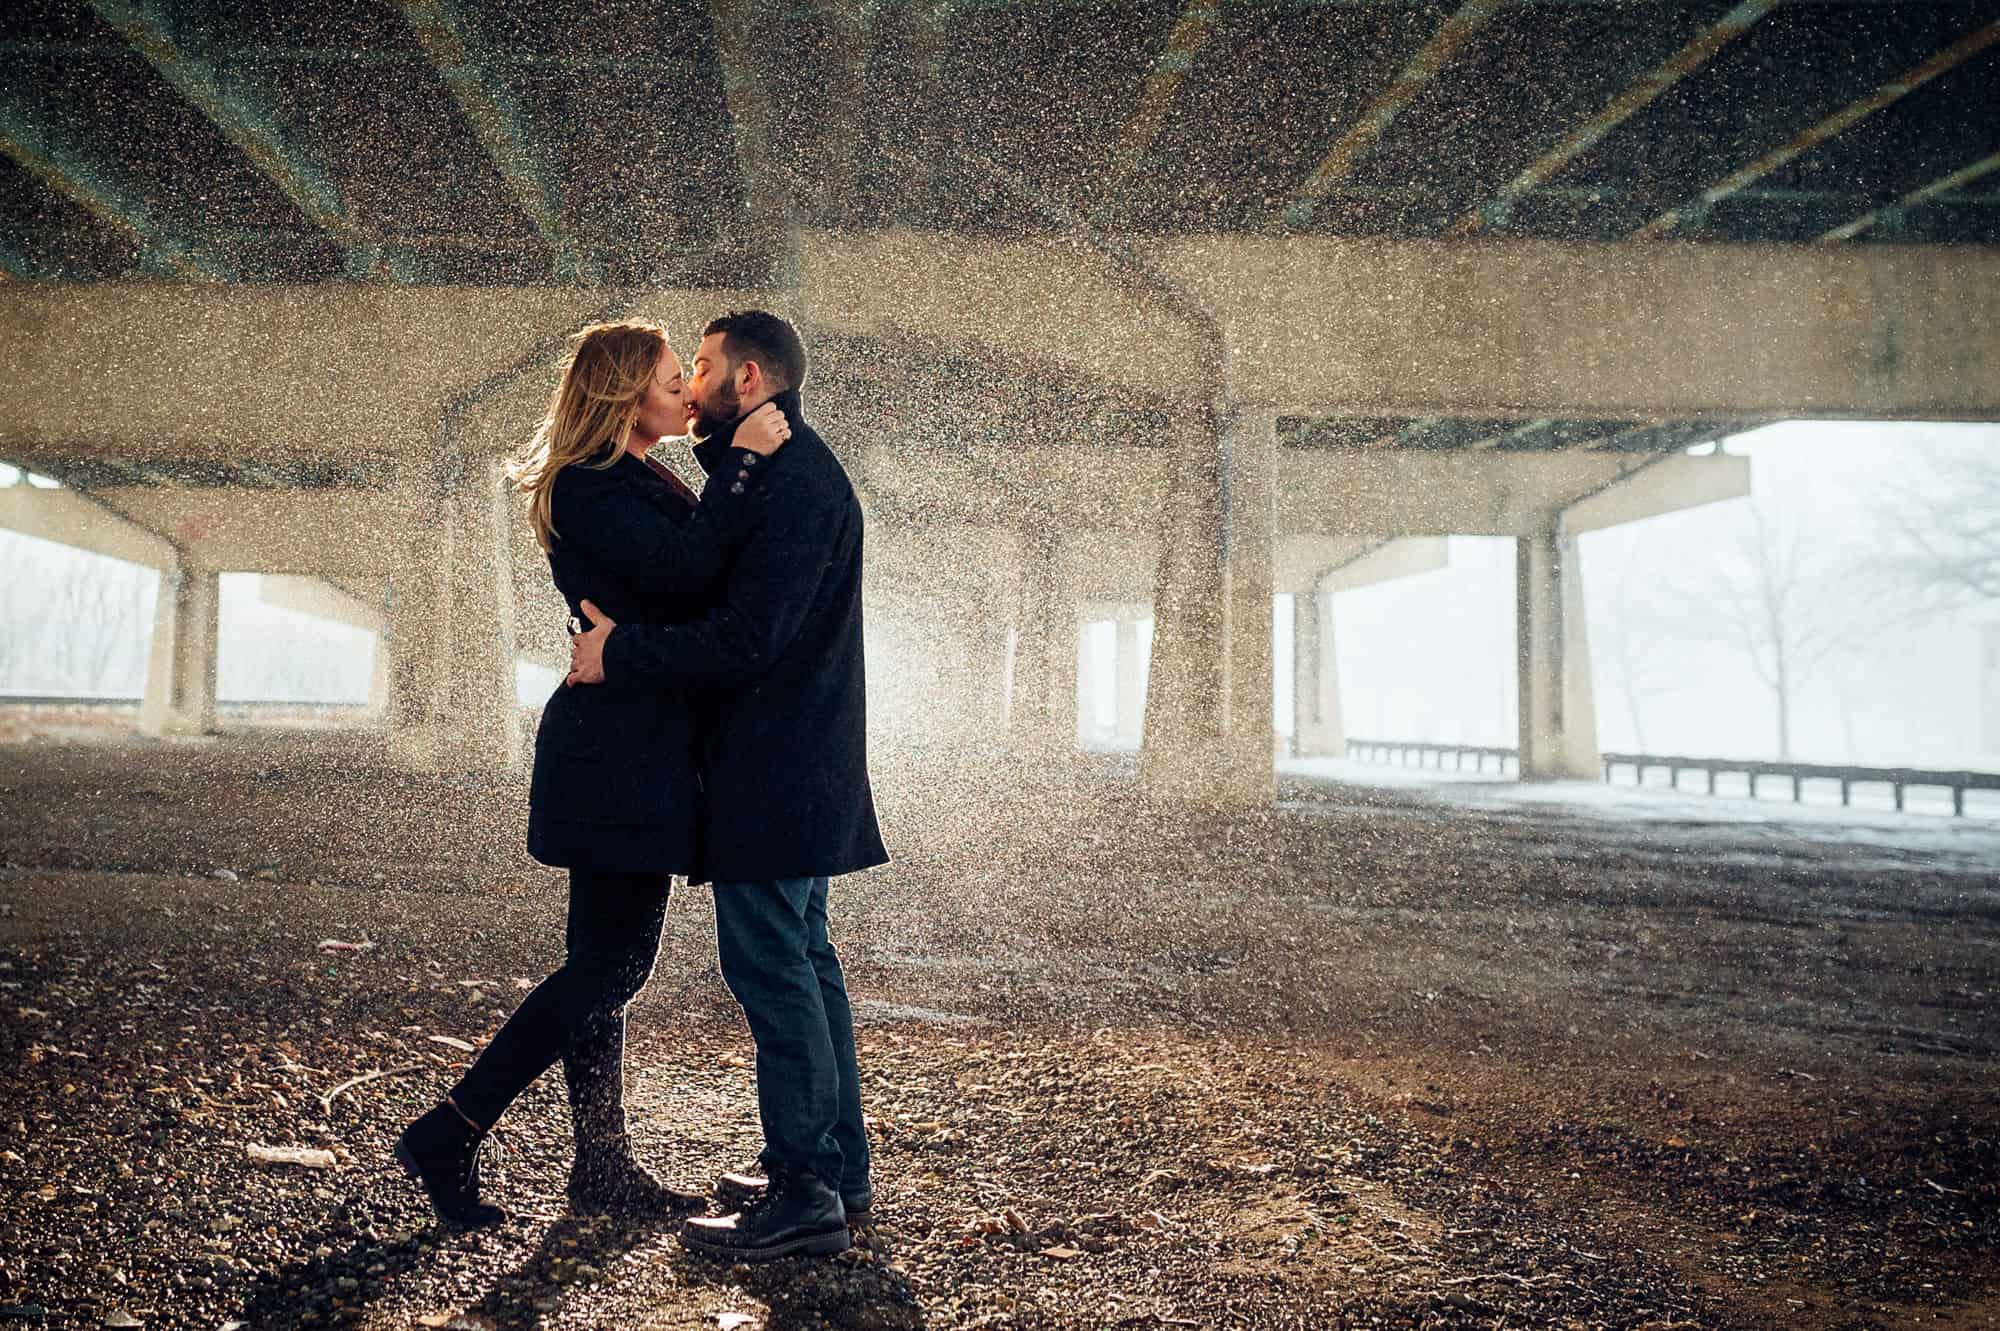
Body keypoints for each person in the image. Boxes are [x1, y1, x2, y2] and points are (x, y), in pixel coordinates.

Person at [393, 319, 790, 1227]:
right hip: (615, 752)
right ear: (620, 395)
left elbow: (698, 577)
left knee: (600, 963)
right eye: (667, 379)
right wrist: (743, 462)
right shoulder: (587, 486)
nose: (688, 394)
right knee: (611, 967)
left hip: (636, 743)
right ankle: (453, 1127)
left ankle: (598, 1168)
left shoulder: (640, 476)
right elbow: (692, 570)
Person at [566, 310, 887, 1261]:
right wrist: (734, 466)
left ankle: (805, 1191)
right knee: (807, 963)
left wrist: (620, 650)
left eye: (700, 367)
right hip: (791, 766)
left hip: (776, 771)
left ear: (747, 381)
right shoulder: (788, 472)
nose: (689, 383)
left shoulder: (794, 487)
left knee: (773, 970)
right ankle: (835, 1165)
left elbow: (745, 639)